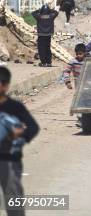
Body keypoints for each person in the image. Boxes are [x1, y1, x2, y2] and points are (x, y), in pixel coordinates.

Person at [0, 67, 39, 216]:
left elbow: (33, 127)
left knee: (13, 199)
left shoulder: (15, 107)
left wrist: (18, 134)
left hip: (9, 161)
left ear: (4, 86)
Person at [61, 43, 87, 128]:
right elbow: (66, 71)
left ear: (85, 53)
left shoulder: (88, 61)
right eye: (77, 54)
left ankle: (87, 118)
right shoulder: (73, 61)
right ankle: (80, 119)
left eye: (81, 54)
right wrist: (67, 81)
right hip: (78, 82)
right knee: (79, 99)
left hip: (87, 83)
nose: (79, 56)